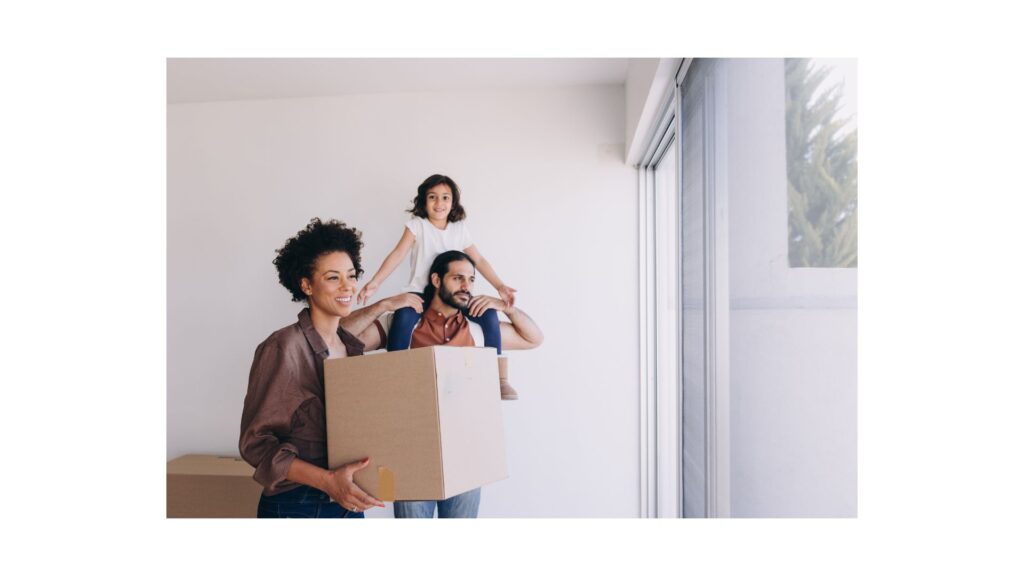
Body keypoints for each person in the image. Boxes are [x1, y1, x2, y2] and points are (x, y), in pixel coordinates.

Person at [239, 217, 421, 518]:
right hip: (297, 503)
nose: (347, 286)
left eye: (351, 275)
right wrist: (327, 481)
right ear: (306, 285)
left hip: (347, 500)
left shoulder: (350, 347)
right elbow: (255, 445)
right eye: (333, 278)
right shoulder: (283, 348)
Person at [359, 250, 543, 518]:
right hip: (413, 451)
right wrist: (381, 306)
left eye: (470, 280)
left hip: (467, 452)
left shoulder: (477, 328)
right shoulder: (404, 323)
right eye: (458, 278)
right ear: (436, 280)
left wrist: (507, 308)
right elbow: (342, 341)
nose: (466, 287)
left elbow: (533, 338)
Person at [353, 174, 521, 399]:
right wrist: (375, 282)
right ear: (423, 201)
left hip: (453, 294)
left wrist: (500, 286)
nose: (439, 203)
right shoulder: (417, 226)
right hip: (422, 293)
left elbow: (478, 260)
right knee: (403, 318)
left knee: (489, 314)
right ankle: (395, 374)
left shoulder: (459, 229)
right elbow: (398, 254)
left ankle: (499, 379)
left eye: (445, 197)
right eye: (433, 197)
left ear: (453, 203)